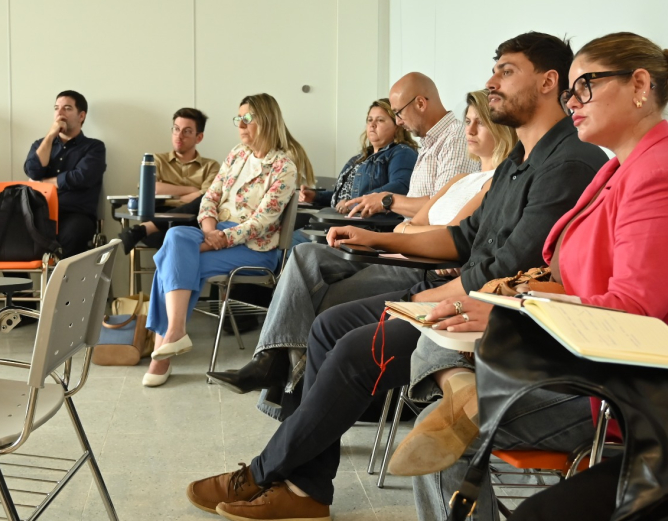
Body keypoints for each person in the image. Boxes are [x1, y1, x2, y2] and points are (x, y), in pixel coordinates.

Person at [186, 31, 608, 521]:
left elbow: (505, 271)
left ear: (548, 81)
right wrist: (378, 239)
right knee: (326, 327)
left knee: (353, 352)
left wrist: (425, 299)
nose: (491, 81)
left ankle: (264, 474)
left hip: (488, 316)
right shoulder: (518, 159)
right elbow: (463, 237)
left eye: (506, 71)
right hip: (455, 292)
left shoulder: (570, 162)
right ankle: (306, 490)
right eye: (494, 69)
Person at [399, 32, 668, 521]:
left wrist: (518, 314)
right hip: (583, 360)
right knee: (439, 340)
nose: (572, 102)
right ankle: (462, 388)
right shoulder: (616, 169)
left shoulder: (656, 171)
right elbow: (569, 276)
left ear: (639, 85)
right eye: (570, 90)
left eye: (585, 86)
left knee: (446, 425)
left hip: (621, 391)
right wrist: (509, 305)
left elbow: (634, 312)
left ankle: (464, 391)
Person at [209, 90, 517, 410]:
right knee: (304, 253)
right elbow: (408, 227)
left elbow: (452, 236)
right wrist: (409, 231)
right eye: (467, 121)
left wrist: (410, 231)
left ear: (501, 127)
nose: (469, 129)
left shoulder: (496, 183)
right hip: (394, 247)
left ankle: (284, 390)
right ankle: (274, 370)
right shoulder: (461, 180)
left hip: (418, 264)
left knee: (316, 300)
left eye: (480, 123)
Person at [142, 93, 313, 388]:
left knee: (173, 259)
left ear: (266, 120)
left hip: (257, 248)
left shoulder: (284, 167)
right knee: (175, 237)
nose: (241, 125)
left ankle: (163, 354)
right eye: (239, 119)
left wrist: (217, 239)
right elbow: (210, 196)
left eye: (247, 119)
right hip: (217, 231)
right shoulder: (237, 154)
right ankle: (175, 331)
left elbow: (262, 223)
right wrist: (210, 230)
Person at [117, 107, 221, 253]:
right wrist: (191, 190)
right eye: (176, 129)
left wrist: (173, 194)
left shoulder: (211, 166)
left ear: (199, 137)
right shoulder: (157, 160)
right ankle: (148, 228)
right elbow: (151, 188)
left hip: (193, 220)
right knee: (173, 239)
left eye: (187, 131)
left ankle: (143, 229)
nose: (179, 136)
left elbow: (209, 198)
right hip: (159, 214)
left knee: (206, 199)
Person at [24, 90, 106, 258]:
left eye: (67, 108)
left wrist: (43, 183)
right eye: (56, 108)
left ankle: (60, 276)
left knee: (72, 234)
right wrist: (50, 135)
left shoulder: (94, 147)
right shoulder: (41, 145)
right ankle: (24, 277)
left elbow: (81, 177)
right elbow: (33, 171)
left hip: (75, 214)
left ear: (81, 116)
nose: (60, 113)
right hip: (40, 213)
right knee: (11, 230)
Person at [298, 99, 418, 214]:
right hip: (341, 218)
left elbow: (401, 186)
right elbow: (344, 198)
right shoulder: (359, 158)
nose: (372, 125)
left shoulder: (402, 153)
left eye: (380, 120)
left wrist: (354, 203)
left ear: (397, 125)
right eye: (369, 120)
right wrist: (316, 196)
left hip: (369, 223)